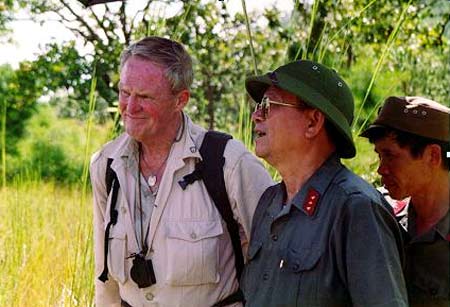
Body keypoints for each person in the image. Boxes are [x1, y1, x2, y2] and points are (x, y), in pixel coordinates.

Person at [90, 36, 273, 307]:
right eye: (124, 92)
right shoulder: (106, 165)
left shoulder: (230, 163)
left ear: (180, 100)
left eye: (144, 97)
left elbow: (272, 271)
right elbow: (104, 280)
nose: (129, 107)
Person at [240, 60, 408, 306]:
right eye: (257, 106)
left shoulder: (356, 208)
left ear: (313, 122)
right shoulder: (269, 202)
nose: (256, 116)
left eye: (268, 105)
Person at [361, 96, 449, 306]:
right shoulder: (381, 212)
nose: (381, 169)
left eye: (390, 155)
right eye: (379, 156)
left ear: (432, 156)